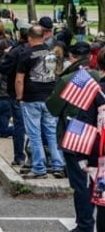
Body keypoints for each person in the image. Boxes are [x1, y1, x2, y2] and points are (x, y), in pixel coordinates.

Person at [47, 42, 98, 231]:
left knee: (80, 183)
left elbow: (53, 108)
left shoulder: (71, 79)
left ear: (72, 57)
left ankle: (84, 224)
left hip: (76, 132)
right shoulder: (97, 77)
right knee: (96, 181)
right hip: (98, 135)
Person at [15, 25, 65, 179]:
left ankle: (39, 168)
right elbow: (54, 74)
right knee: (51, 133)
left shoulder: (26, 54)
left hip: (31, 98)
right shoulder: (51, 53)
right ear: (43, 37)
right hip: (49, 98)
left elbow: (19, 79)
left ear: (29, 38)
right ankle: (58, 165)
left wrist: (19, 97)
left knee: (34, 135)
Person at [76, 48, 105, 232]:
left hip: (100, 156)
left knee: (103, 204)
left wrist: (82, 158)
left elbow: (83, 125)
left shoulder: (94, 91)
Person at [0, 23, 31, 166]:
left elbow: (2, 68)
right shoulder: (37, 50)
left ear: (19, 36)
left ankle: (19, 156)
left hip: (17, 91)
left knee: (19, 125)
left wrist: (6, 54)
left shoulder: (15, 51)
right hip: (35, 91)